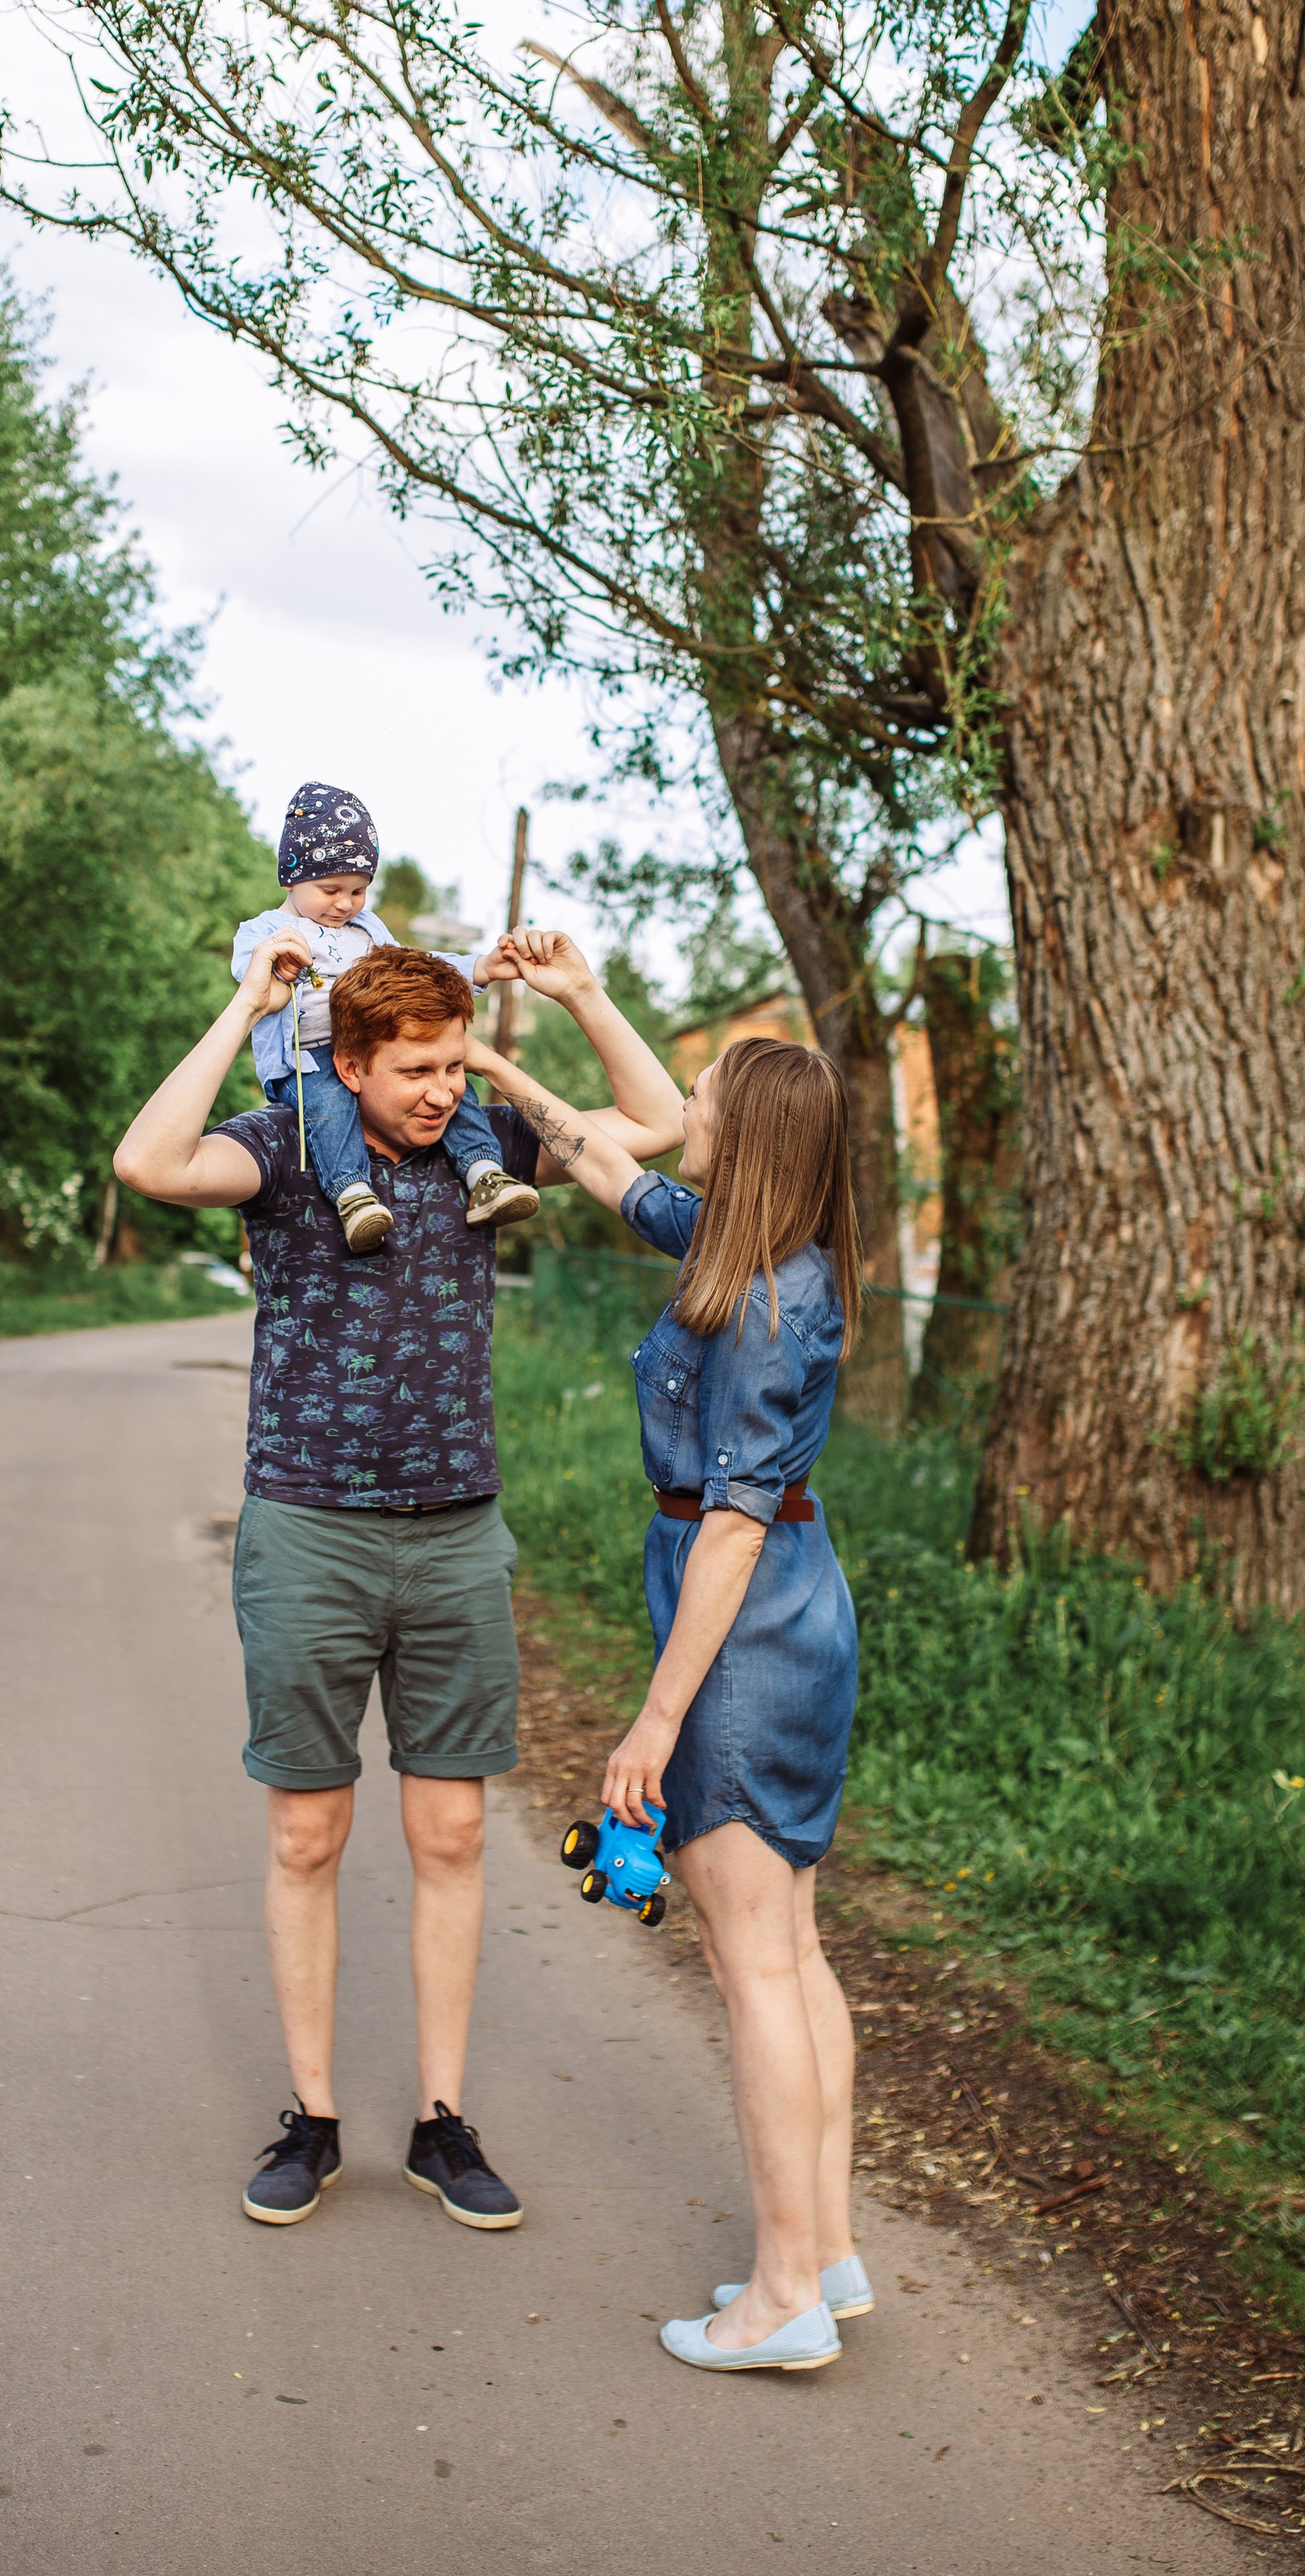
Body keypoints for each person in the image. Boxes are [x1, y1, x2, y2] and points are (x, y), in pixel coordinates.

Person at [113, 926, 683, 2230]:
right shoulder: (283, 1149)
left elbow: (662, 1121)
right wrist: (246, 1004)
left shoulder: (491, 1149)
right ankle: (311, 2120)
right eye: (415, 1067)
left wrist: (565, 1001)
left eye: (452, 1062)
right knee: (309, 1833)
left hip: (455, 1536)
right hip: (310, 1531)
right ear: (352, 1062)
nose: (439, 1089)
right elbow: (145, 1161)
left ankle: (440, 2121)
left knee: (456, 1832)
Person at [470, 980, 865, 2374]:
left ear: (742, 1139)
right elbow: (595, 1147)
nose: (681, 1103)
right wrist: (536, 1020)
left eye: (706, 1098)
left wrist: (652, 1717)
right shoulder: (746, 1253)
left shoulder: (757, 1301)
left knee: (750, 1962)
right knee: (791, 1949)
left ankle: (777, 2298)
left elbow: (734, 1522)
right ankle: (820, 2249)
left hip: (741, 1630)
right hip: (787, 1620)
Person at [232, 779, 539, 1252]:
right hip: (308, 1060)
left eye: (358, 890)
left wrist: (479, 967)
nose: (345, 903)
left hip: (375, 1049)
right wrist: (273, 963)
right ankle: (354, 1196)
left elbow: (416, 964)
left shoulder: (366, 928)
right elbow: (247, 971)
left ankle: (485, 1173)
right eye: (330, 889)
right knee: (331, 1106)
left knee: (450, 1090)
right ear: (290, 877)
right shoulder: (268, 930)